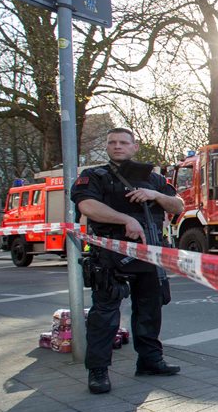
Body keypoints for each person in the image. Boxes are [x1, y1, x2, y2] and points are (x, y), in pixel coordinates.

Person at [71, 127, 185, 395]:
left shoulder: (153, 179)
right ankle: (98, 370)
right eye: (112, 142)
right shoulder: (93, 176)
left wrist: (154, 195)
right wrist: (126, 219)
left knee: (150, 310)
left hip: (149, 254)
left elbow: (178, 205)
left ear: (135, 147)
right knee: (105, 315)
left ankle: (150, 361)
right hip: (110, 256)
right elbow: (86, 206)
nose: (118, 146)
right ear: (108, 147)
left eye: (124, 142)